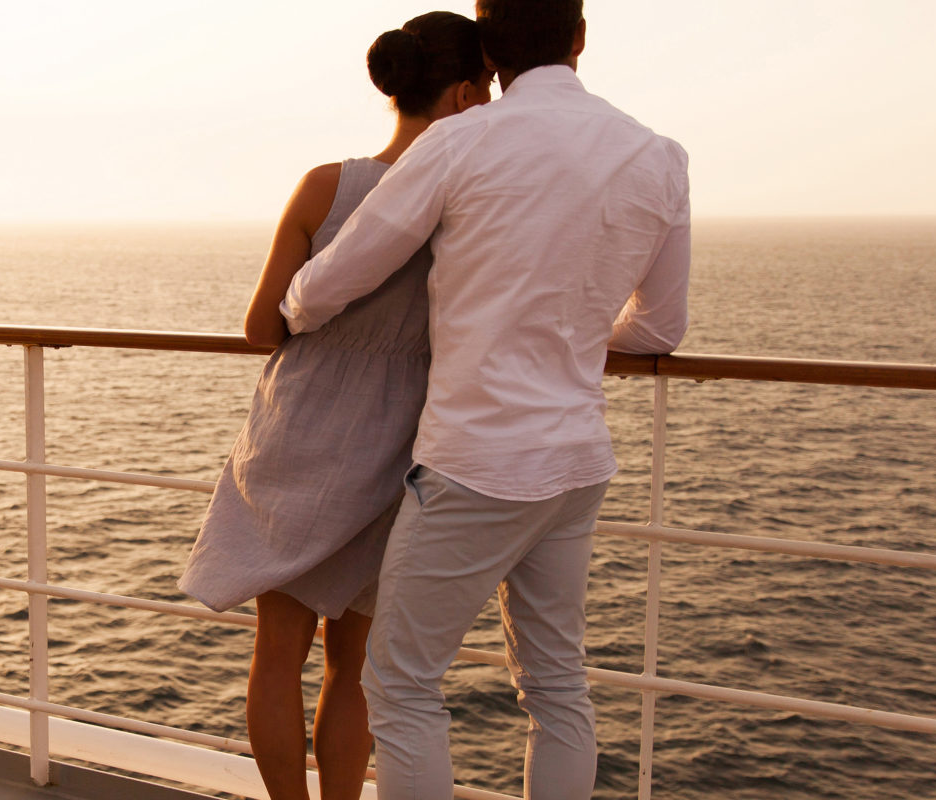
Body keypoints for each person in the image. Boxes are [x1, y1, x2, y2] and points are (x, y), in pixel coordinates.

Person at [278, 1, 691, 797]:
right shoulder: (658, 154)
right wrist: (567, 333)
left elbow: (341, 273)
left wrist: (293, 311)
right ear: (578, 38)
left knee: (400, 686)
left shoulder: (463, 139)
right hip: (575, 463)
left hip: (475, 466)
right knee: (558, 685)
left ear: (489, 50)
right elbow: (659, 328)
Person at [177, 12, 492, 800]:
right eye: (485, 90)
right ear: (461, 94)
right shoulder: (469, 205)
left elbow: (260, 327)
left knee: (276, 654)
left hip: (297, 437)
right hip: (398, 447)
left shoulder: (327, 186)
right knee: (354, 666)